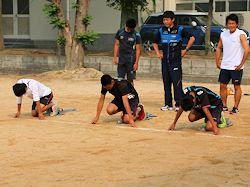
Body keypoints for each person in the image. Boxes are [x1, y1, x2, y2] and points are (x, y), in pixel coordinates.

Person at [153, 11, 195, 111]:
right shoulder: (161, 30)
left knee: (177, 84)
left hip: (175, 62)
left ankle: (178, 104)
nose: (165, 21)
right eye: (164, 19)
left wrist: (185, 50)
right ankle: (168, 104)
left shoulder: (180, 29)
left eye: (167, 19)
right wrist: (158, 53)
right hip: (164, 63)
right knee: (166, 83)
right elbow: (154, 42)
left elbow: (192, 38)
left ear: (173, 20)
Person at [216, 14, 249, 114]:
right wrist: (217, 61)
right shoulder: (223, 34)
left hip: (236, 67)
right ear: (226, 24)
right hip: (225, 65)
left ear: (237, 24)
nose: (231, 25)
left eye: (233, 23)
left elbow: (247, 49)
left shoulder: (241, 34)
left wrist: (241, 63)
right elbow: (218, 47)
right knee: (222, 85)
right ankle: (224, 105)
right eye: (229, 23)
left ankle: (235, 107)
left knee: (236, 86)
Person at [113, 18, 141, 85]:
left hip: (131, 60)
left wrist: (136, 63)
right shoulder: (120, 32)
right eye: (128, 28)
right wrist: (115, 57)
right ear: (125, 25)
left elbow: (138, 50)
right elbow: (116, 45)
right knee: (120, 79)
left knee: (130, 80)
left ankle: (132, 94)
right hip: (121, 59)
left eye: (131, 29)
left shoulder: (136, 35)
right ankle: (121, 94)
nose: (129, 30)